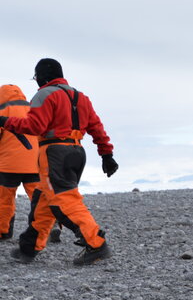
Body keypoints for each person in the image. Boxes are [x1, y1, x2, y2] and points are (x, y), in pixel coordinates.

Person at [0, 60, 118, 265]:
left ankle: (96, 243)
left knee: (63, 199)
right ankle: (29, 247)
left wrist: (4, 121)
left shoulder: (44, 95)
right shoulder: (81, 97)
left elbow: (34, 126)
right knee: (44, 198)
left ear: (42, 77)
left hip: (54, 152)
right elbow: (96, 127)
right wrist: (106, 155)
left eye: (36, 78)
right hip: (77, 151)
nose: (36, 82)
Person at [0, 84, 42, 240]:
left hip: (8, 165)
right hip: (34, 164)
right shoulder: (33, 110)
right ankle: (48, 228)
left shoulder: (2, 111)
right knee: (38, 198)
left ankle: (3, 231)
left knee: (5, 199)